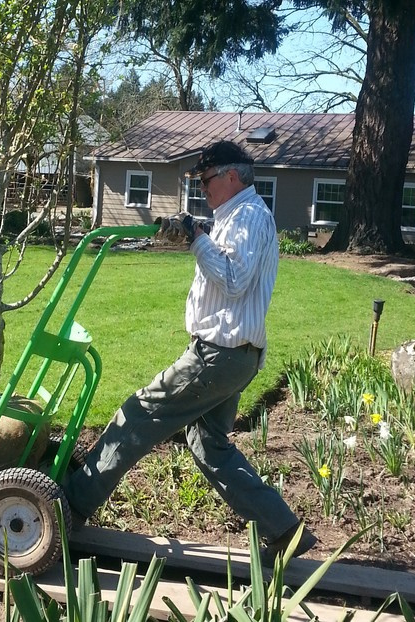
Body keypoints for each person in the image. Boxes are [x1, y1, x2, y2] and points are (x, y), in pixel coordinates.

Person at [63, 139, 317, 561]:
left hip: (219, 354)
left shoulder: (249, 216)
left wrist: (197, 236)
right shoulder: (236, 215)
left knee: (139, 414)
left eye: (206, 179)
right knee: (209, 445)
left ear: (231, 176)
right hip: (234, 354)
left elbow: (233, 280)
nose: (202, 188)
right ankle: (285, 531)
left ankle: (68, 505)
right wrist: (197, 230)